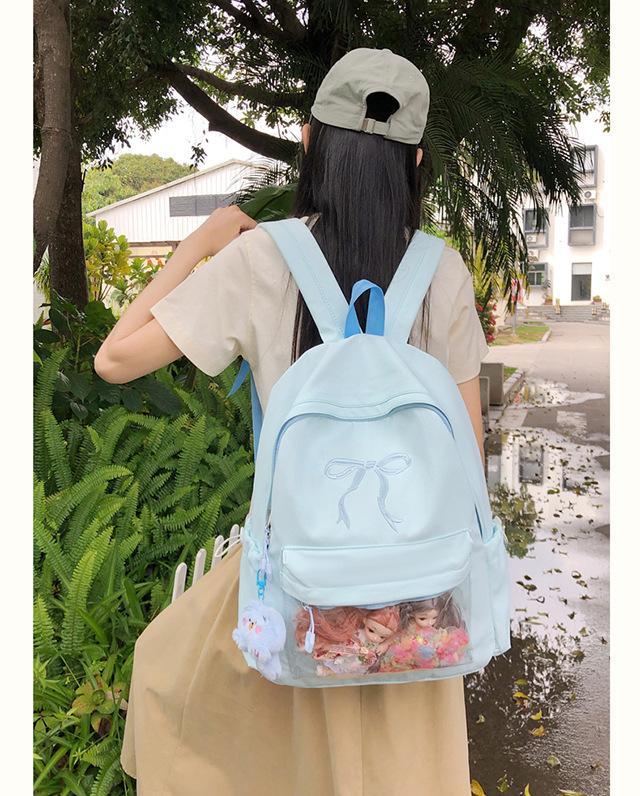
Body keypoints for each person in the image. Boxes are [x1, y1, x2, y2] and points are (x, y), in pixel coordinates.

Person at [95, 47, 488, 796]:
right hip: (419, 593)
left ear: (309, 142)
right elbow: (470, 454)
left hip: (297, 583)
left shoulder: (262, 260)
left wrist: (202, 242)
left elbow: (113, 359)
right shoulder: (442, 271)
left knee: (167, 670)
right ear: (415, 162)